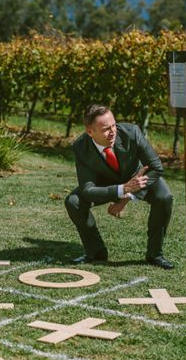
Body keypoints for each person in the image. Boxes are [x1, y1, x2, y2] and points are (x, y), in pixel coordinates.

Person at [65, 104, 175, 270]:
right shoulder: (80, 147)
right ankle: (96, 252)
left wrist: (128, 195)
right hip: (106, 183)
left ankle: (155, 254)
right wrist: (122, 189)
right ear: (90, 132)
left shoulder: (132, 132)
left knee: (164, 197)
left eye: (114, 125)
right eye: (105, 129)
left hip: (139, 177)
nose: (113, 132)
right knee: (73, 201)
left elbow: (156, 167)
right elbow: (87, 189)